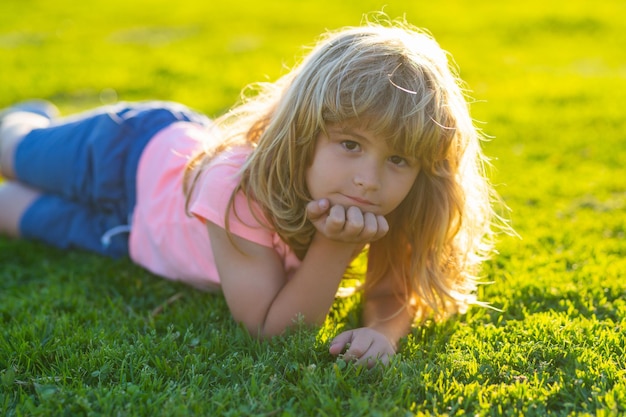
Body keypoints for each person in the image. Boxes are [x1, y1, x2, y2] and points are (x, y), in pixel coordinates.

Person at [0, 17, 502, 367]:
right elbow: (270, 329)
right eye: (350, 144)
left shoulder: (393, 201)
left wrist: (382, 333)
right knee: (18, 151)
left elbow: (392, 292)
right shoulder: (240, 183)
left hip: (133, 235)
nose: (369, 179)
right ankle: (21, 121)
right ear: (304, 131)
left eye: (398, 159)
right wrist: (337, 246)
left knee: (12, 212)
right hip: (125, 154)